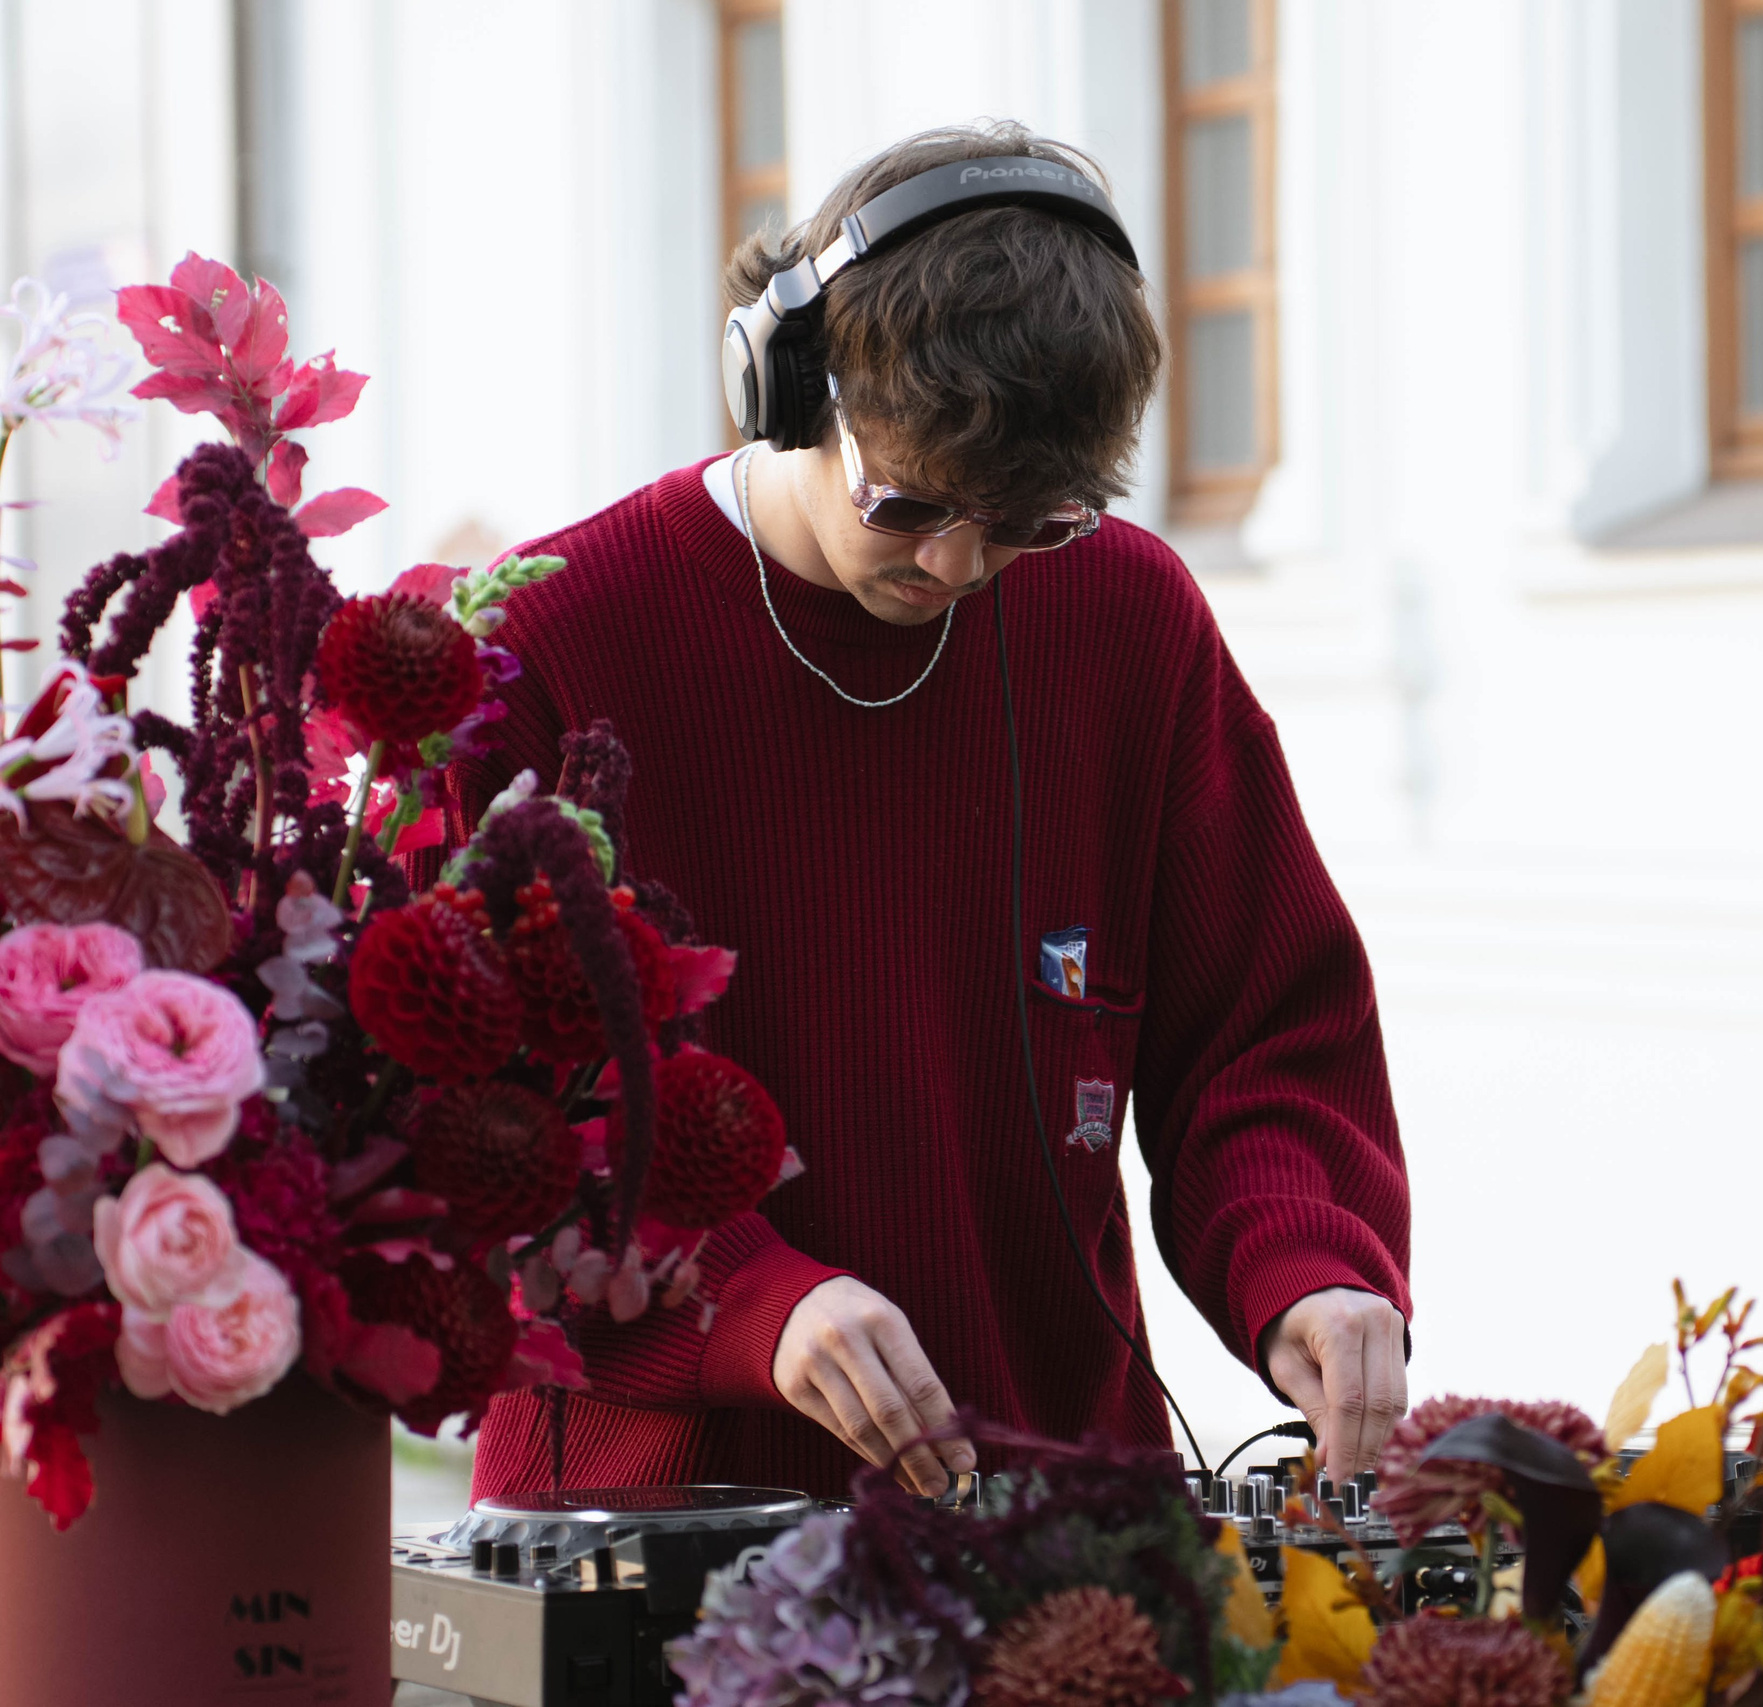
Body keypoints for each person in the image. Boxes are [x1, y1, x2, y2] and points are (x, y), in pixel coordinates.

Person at [451, 121, 1412, 1502]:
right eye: (907, 505)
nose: (959, 565)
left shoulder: (1129, 619)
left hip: (1056, 1517)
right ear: (791, 387)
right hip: (652, 1532)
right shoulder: (547, 645)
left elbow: (1266, 1029)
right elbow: (486, 1121)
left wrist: (1304, 1265)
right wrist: (748, 1299)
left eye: (1033, 523)